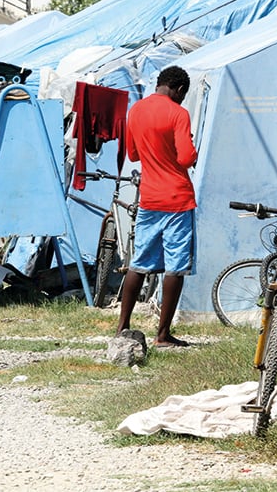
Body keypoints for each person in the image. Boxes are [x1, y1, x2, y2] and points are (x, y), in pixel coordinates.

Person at [116, 66, 197, 348]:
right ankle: (162, 334)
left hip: (149, 198)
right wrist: (192, 151)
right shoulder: (178, 113)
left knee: (139, 262)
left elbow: (134, 154)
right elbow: (186, 158)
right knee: (175, 266)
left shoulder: (135, 110)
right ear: (179, 89)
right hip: (177, 199)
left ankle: (123, 326)